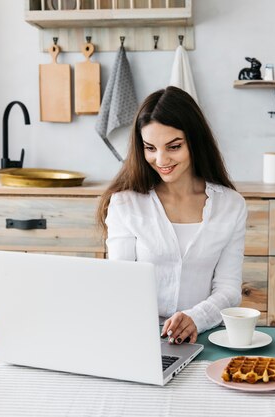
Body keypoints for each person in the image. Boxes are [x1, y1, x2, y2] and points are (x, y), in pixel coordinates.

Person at [96, 86, 247, 345]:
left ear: (195, 141)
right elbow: (120, 283)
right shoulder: (125, 204)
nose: (161, 159)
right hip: (139, 337)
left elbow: (229, 289)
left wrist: (196, 317)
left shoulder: (230, 205)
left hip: (205, 337)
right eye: (150, 148)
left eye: (174, 146)